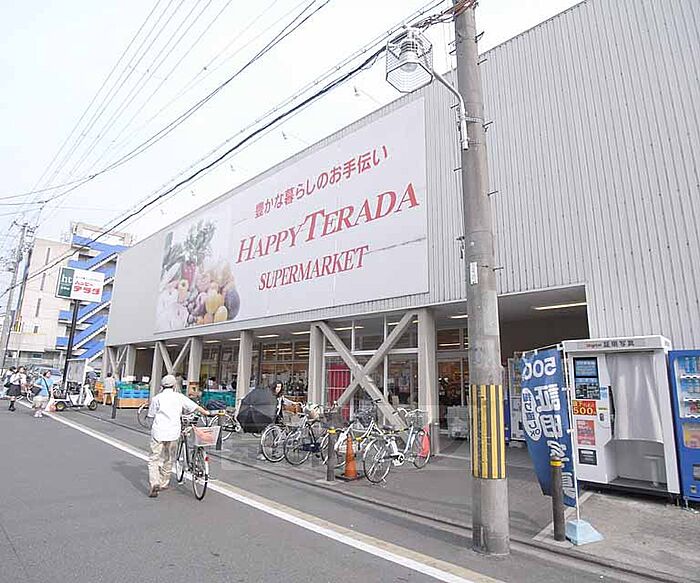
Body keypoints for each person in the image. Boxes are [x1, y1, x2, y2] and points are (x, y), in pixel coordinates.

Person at [146, 374, 211, 498]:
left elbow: (151, 415)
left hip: (158, 432)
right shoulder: (179, 397)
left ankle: (155, 482)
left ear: (162, 386)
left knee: (154, 458)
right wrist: (207, 413)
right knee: (169, 457)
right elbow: (195, 407)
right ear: (174, 385)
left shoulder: (157, 398)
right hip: (173, 432)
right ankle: (164, 482)